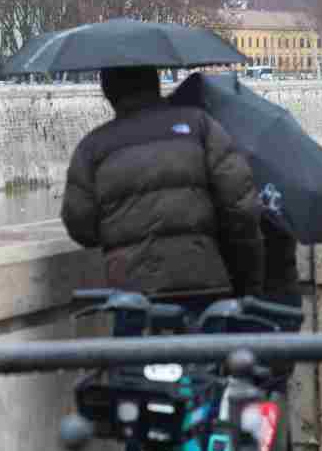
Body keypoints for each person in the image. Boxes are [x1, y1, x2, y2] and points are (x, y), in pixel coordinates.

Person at [61, 65, 266, 321]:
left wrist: (121, 233)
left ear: (108, 92)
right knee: (206, 357)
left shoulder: (92, 147)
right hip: (202, 280)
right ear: (155, 82)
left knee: (131, 357)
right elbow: (241, 206)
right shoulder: (200, 126)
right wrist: (247, 278)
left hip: (132, 290)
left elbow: (80, 224)